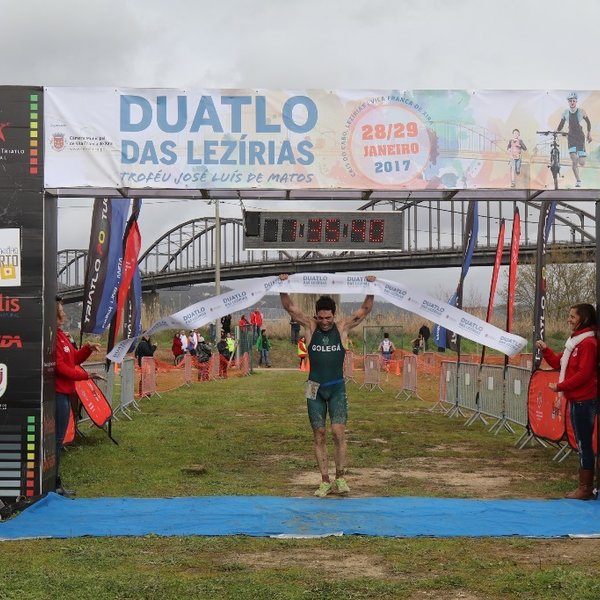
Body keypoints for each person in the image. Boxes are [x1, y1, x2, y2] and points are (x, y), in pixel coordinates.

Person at [279, 273, 376, 498]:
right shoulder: (310, 327)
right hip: (313, 387)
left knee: (338, 432)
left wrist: (371, 288)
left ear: (334, 315)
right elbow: (291, 308)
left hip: (336, 387)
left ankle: (340, 477)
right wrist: (283, 285)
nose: (324, 322)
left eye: (328, 318)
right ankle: (324, 480)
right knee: (319, 434)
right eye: (321, 318)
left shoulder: (341, 328)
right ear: (316, 315)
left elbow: (364, 310)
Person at [536, 303, 597, 500]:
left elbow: (585, 374)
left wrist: (561, 386)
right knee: (582, 443)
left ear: (584, 318)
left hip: (585, 401)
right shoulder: (574, 343)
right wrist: (546, 350)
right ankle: (585, 485)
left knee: (584, 443)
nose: (569, 319)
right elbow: (558, 362)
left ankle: (585, 488)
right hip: (576, 400)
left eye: (572, 316)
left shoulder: (588, 344)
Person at [55, 297, 103, 497]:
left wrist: (87, 349)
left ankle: (55, 481)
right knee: (56, 440)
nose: (64, 313)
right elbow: (61, 367)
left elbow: (73, 358)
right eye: (61, 310)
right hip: (57, 394)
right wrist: (87, 375)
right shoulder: (53, 338)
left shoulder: (62, 336)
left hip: (66, 393)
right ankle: (53, 482)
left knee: (57, 440)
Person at [557, 92, 592, 187]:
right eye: (570, 101)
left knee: (582, 163)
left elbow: (588, 123)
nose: (572, 102)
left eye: (574, 101)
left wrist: (589, 133)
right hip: (571, 137)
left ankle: (582, 156)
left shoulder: (581, 111)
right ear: (568, 102)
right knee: (574, 159)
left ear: (576, 102)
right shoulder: (565, 112)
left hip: (580, 137)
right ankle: (578, 180)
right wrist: (557, 132)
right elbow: (561, 125)